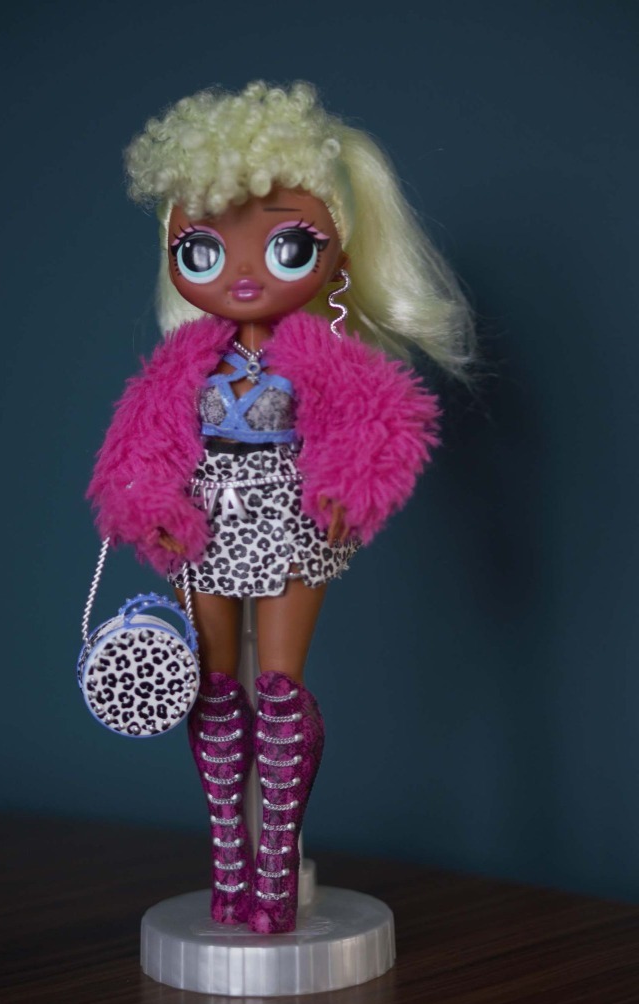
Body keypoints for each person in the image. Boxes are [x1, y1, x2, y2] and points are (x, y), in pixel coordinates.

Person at [87, 81, 473, 933]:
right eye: (202, 249)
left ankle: (276, 867)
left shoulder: (324, 354)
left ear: (337, 251)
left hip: (293, 524)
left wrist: (346, 484)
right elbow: (136, 444)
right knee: (214, 686)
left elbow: (385, 421)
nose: (243, 272)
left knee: (281, 685)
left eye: (286, 245)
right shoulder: (184, 360)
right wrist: (148, 502)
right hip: (202, 528)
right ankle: (229, 857)